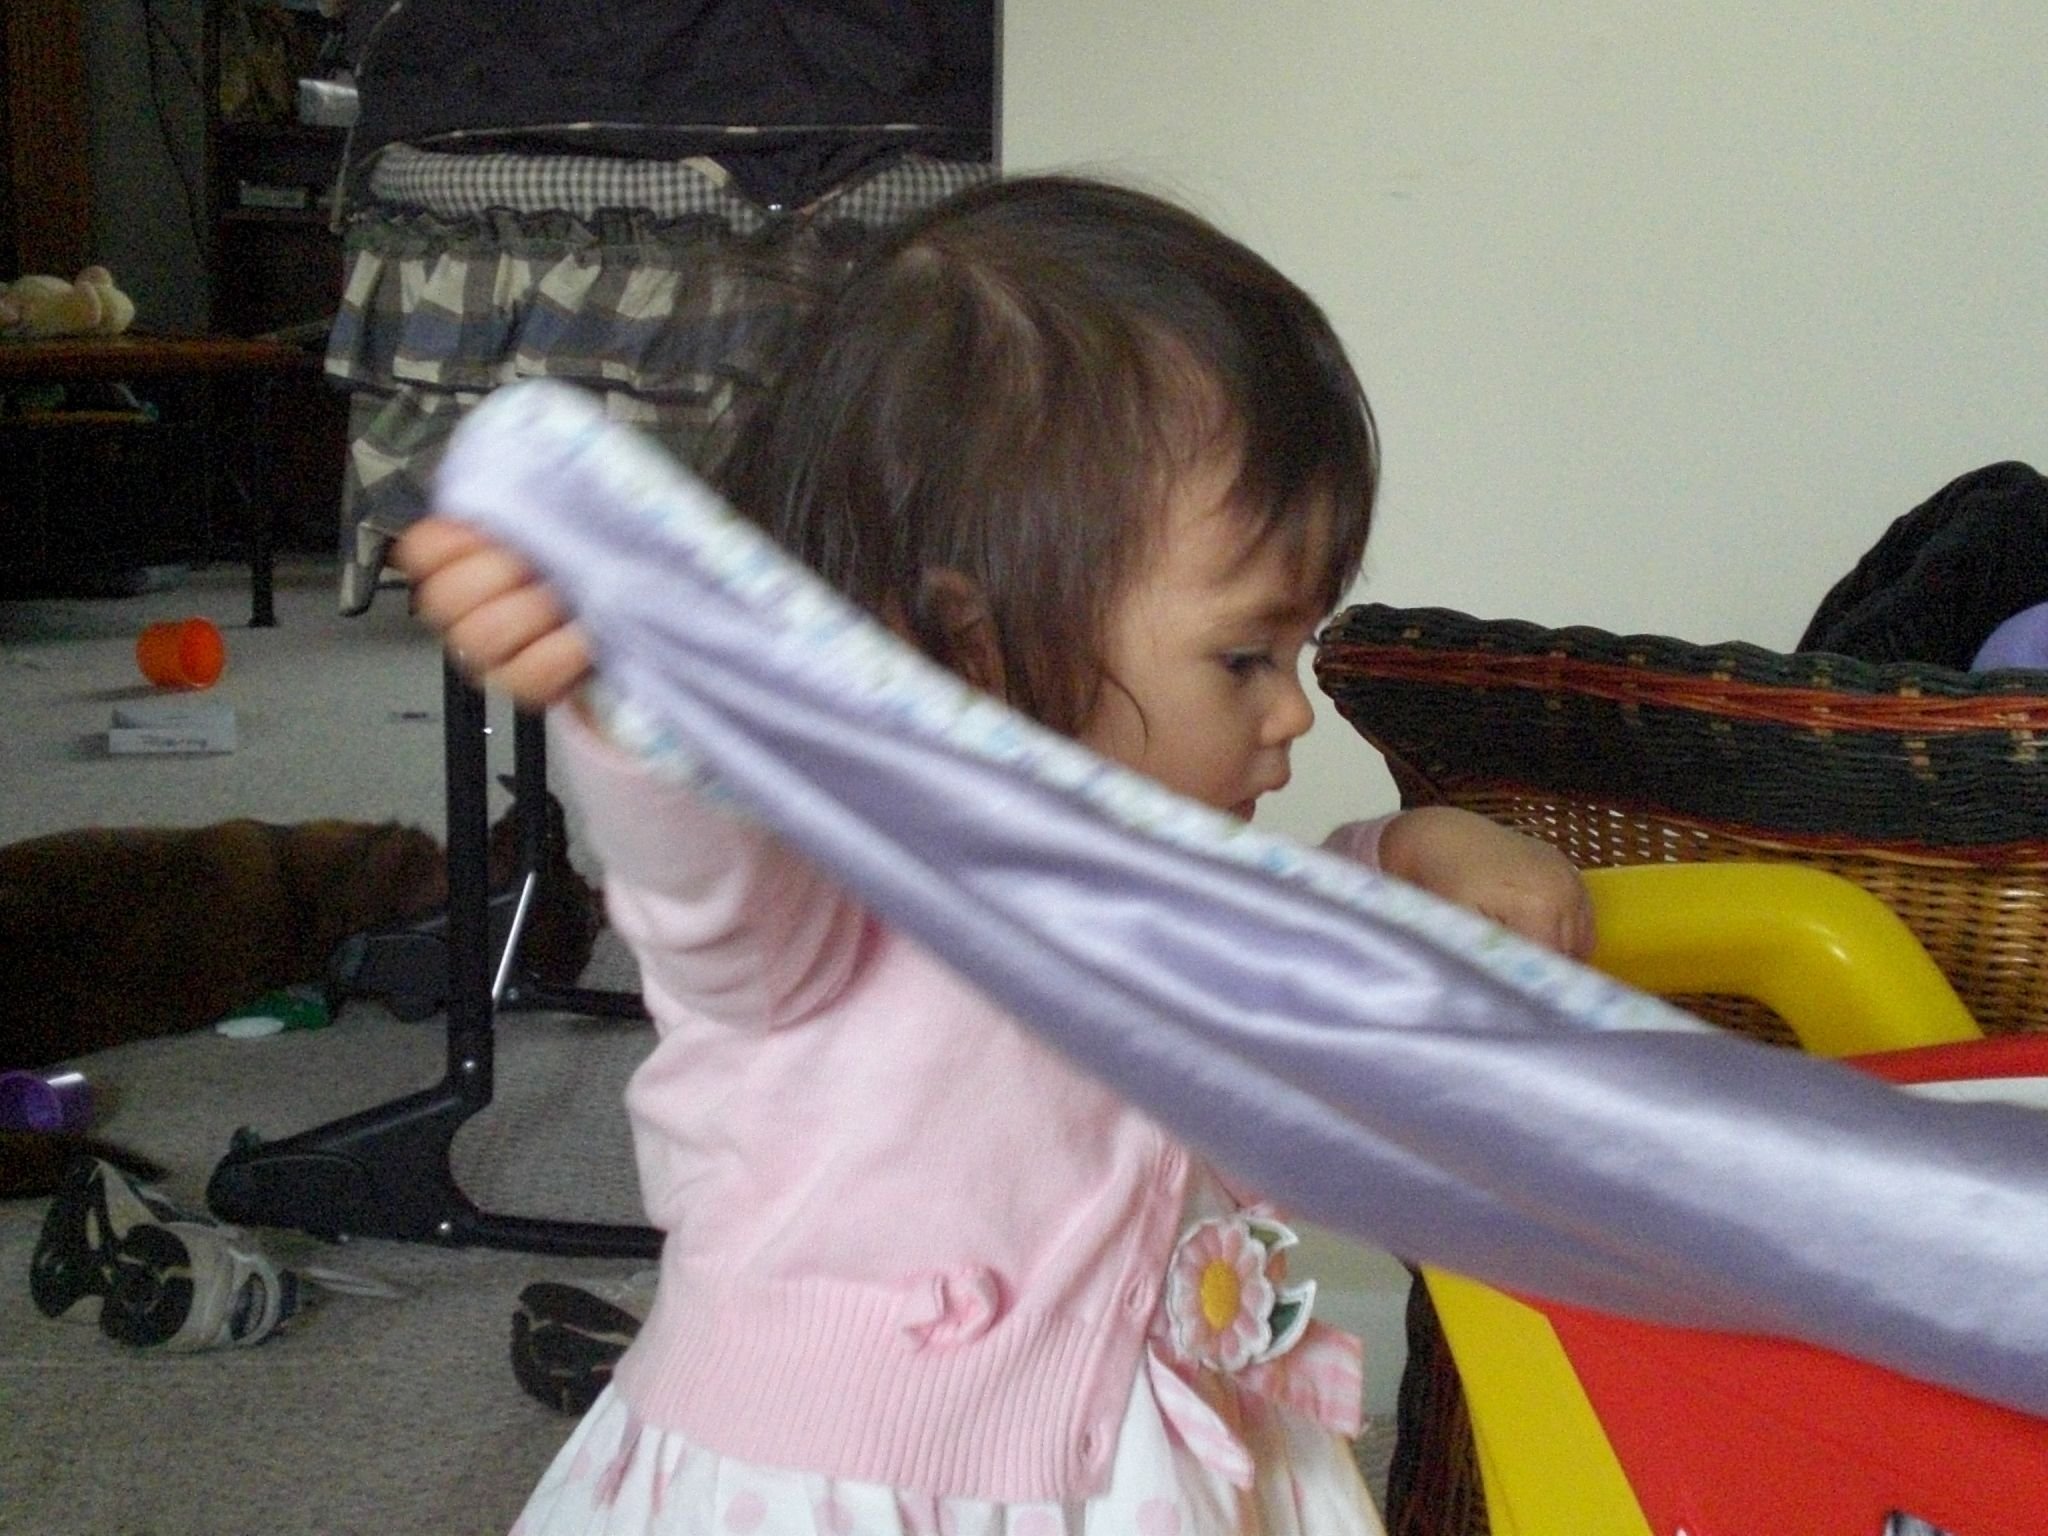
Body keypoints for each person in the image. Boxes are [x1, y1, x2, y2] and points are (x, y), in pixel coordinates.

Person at [397, 174, 1593, 1536]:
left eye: (1297, 651)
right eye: (1245, 657)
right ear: (974, 644)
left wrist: (1417, 853)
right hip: (850, 1486)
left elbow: (1303, 940)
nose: (1292, 711)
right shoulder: (828, 882)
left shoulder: (1175, 871)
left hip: (1147, 1456)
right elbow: (702, 873)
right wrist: (645, 709)